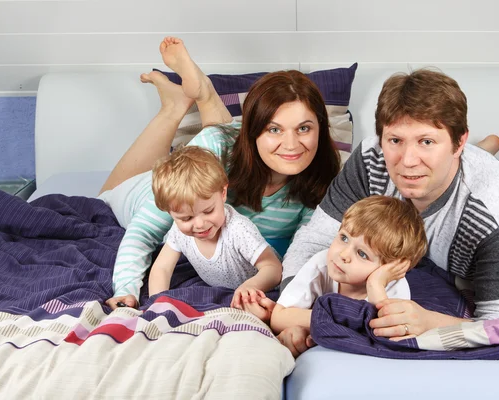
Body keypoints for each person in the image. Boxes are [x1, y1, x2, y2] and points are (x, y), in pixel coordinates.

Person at [279, 68, 499, 354]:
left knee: (474, 168)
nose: (408, 161)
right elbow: (315, 239)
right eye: (395, 140)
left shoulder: (496, 213)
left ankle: (483, 151)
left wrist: (430, 321)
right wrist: (294, 310)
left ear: (458, 141)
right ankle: (480, 148)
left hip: (469, 231)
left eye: (426, 141)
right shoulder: (369, 160)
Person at [102, 37, 341, 310]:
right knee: (107, 193)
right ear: (253, 132)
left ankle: (203, 94)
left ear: (320, 130)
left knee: (220, 138)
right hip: (145, 192)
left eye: (304, 129)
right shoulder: (217, 145)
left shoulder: (324, 184)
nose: (291, 145)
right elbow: (144, 231)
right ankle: (175, 106)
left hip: (225, 157)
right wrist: (126, 289)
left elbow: (304, 252)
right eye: (274, 129)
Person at [267, 196, 427, 352]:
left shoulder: (394, 287)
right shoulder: (321, 264)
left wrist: (375, 285)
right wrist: (303, 328)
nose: (343, 254)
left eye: (362, 254)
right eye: (344, 238)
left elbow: (386, 336)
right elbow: (279, 317)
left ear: (391, 268)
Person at [147, 146, 281, 308]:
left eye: (208, 211)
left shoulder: (238, 230)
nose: (200, 224)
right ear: (169, 212)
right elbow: (162, 268)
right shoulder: (178, 231)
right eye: (187, 218)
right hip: (224, 292)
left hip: (262, 288)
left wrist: (250, 286)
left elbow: (273, 268)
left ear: (223, 193)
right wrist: (157, 303)